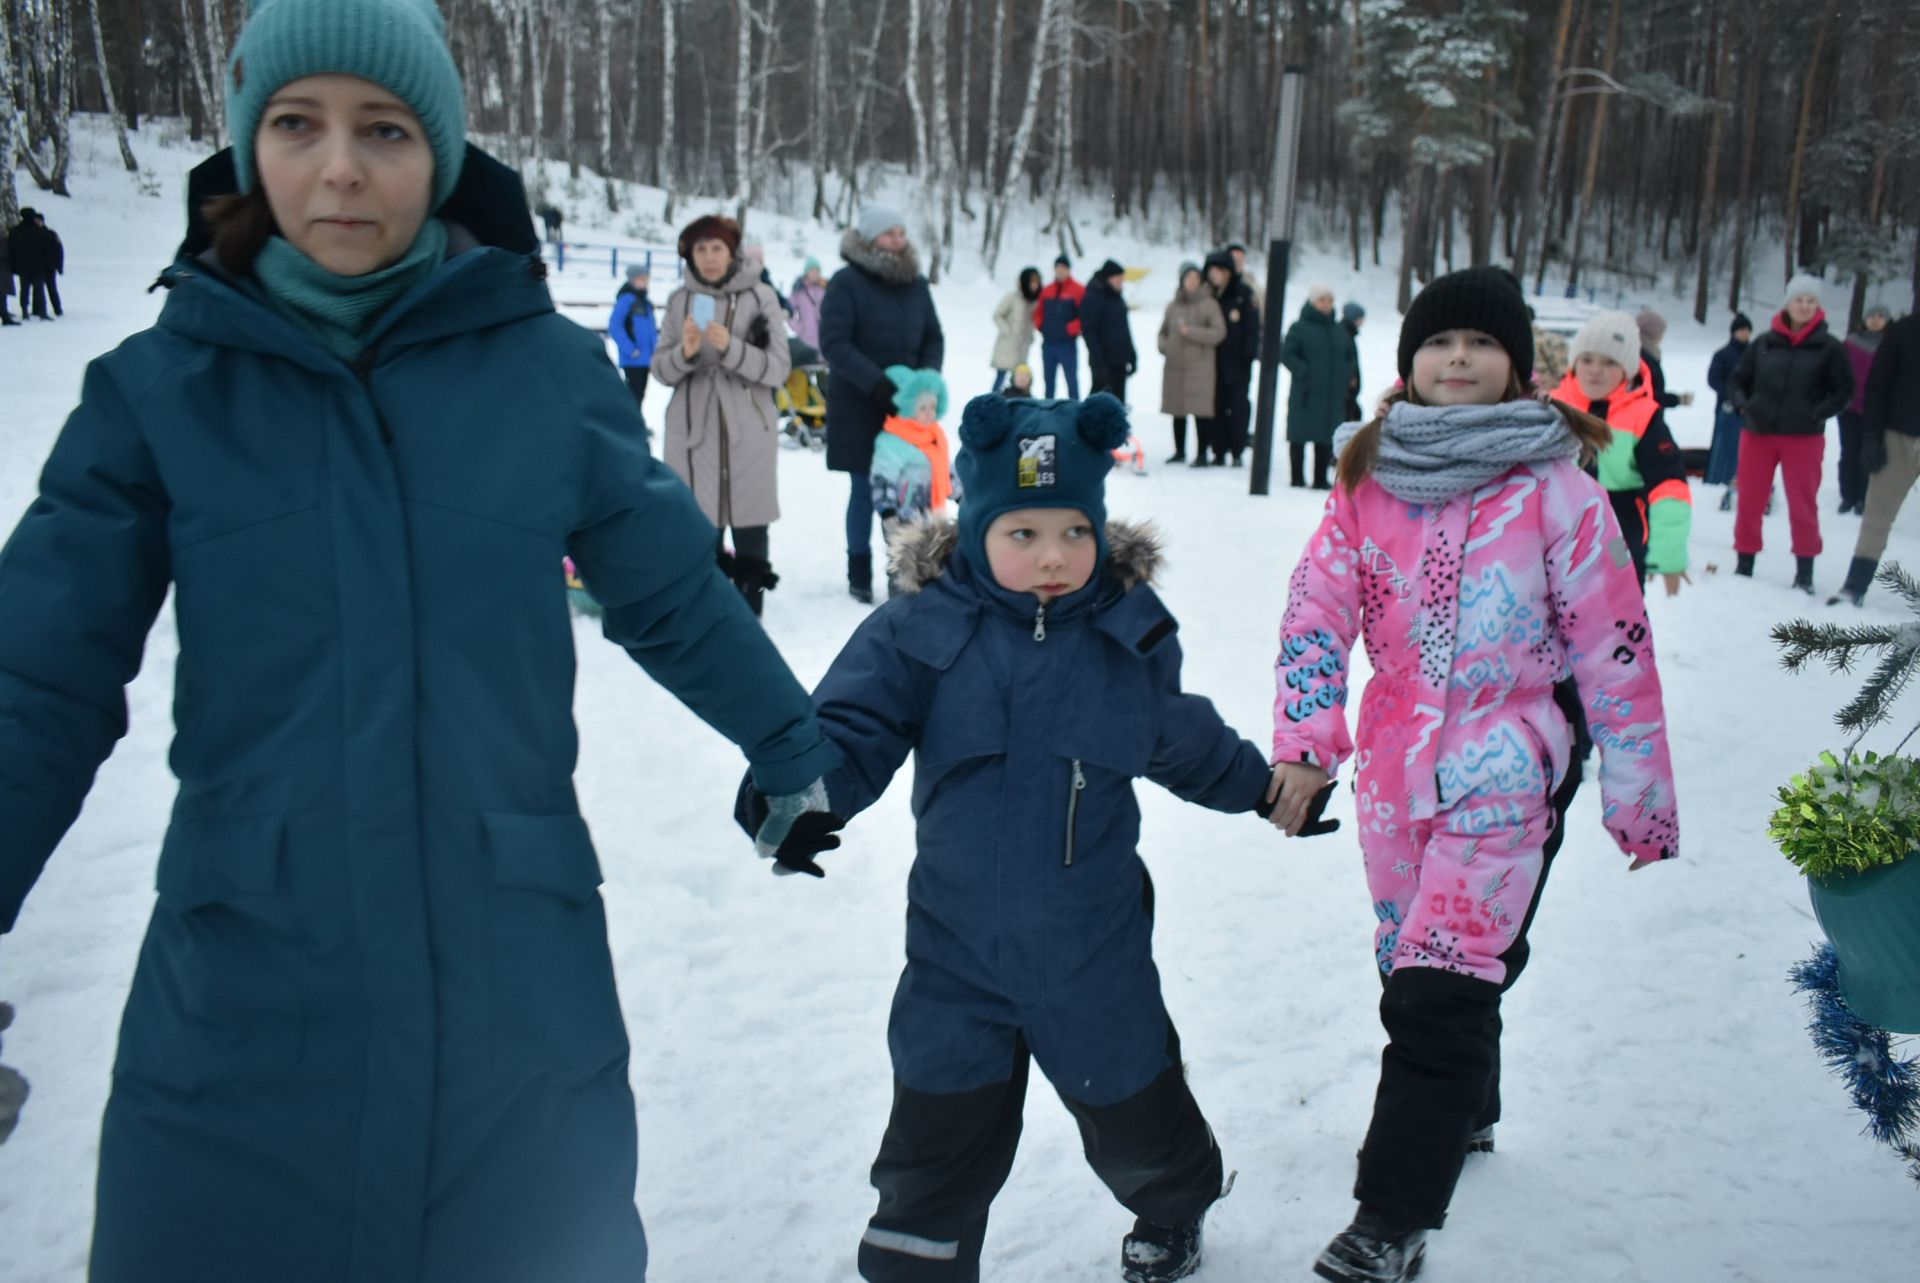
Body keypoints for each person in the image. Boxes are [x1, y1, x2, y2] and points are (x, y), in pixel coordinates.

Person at [0, 2, 842, 1278]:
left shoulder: (547, 379)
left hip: (514, 1001)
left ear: (440, 155)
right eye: (297, 123)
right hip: (241, 1007)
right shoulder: (158, 393)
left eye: (383, 128)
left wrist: (790, 743)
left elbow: (669, 590)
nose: (340, 165)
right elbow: (35, 676)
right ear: (248, 146)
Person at [740, 392, 1275, 1283]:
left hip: (1091, 948)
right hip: (955, 950)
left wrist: (1263, 788)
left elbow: (1182, 735)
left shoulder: (1124, 638)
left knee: (1135, 1108)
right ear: (978, 525)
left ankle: (1176, 1203)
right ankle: (918, 1264)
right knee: (935, 1134)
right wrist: (796, 798)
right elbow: (851, 726)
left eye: (1073, 530)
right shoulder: (921, 631)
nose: (1053, 555)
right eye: (1021, 533)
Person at [1268, 266, 1677, 1283]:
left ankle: (1388, 1217)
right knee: (1410, 963)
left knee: (1440, 988)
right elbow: (1316, 614)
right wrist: (1305, 744)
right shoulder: (1369, 480)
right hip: (1395, 775)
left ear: (1518, 365)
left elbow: (1614, 647)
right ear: (1409, 361)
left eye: (1481, 344)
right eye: (1439, 342)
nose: (1459, 358)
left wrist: (1639, 795)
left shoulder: (1559, 488)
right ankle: (1468, 1102)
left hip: (1508, 762)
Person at [652, 214, 792, 616]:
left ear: (732, 253)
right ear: (689, 256)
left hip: (747, 429)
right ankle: (707, 620)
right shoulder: (680, 300)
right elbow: (661, 369)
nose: (709, 258)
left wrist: (731, 347)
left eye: (717, 248)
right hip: (692, 432)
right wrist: (686, 353)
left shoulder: (761, 296)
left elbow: (779, 368)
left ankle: (749, 614)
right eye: (701, 249)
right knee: (698, 530)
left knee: (750, 527)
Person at [819, 204, 945, 605]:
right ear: (871, 238)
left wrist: (923, 384)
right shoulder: (846, 283)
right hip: (861, 405)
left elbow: (933, 336)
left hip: (908, 413)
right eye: (889, 233)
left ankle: (902, 568)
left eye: (901, 232)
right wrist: (877, 384)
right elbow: (835, 342)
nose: (898, 239)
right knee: (864, 489)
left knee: (909, 493)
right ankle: (859, 569)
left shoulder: (917, 285)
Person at [1550, 312, 1693, 594]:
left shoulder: (1643, 416)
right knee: (1557, 598)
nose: (1595, 370)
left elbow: (1669, 486)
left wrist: (1668, 553)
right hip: (1559, 524)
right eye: (1587, 359)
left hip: (1618, 528)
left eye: (1609, 362)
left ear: (1627, 369)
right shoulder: (1554, 406)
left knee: (1619, 589)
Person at [1728, 273, 1854, 592]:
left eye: (1811, 301)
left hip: (1804, 436)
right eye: (1799, 300)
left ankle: (1805, 571)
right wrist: (1745, 405)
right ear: (1787, 304)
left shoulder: (1829, 347)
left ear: (1818, 307)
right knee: (1751, 499)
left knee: (1802, 503)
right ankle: (1744, 562)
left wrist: (1817, 412)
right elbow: (1738, 381)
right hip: (1758, 432)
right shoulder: (1764, 343)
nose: (1804, 306)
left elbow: (1845, 390)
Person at [1829, 309, 1920, 605]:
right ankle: (1854, 587)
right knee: (1877, 517)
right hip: (1898, 436)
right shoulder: (1904, 330)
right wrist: (1871, 436)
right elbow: (1877, 386)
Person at [869, 366, 956, 596]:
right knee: (902, 566)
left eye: (933, 407)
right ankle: (898, 609)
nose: (930, 413)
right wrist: (888, 512)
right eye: (923, 408)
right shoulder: (893, 440)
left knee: (930, 563)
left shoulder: (935, 436)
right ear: (908, 408)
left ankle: (923, 606)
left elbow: (947, 472)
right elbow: (882, 479)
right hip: (901, 518)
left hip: (930, 516)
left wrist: (964, 495)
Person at [1281, 284, 1359, 489]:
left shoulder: (1338, 331)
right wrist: (1303, 371)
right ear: (1312, 302)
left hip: (1331, 394)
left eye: (1329, 301)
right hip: (1305, 392)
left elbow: (1350, 357)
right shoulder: (1299, 327)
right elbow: (1287, 354)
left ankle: (1319, 478)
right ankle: (1296, 477)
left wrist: (1346, 376)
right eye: (1321, 300)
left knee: (1325, 437)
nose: (1326, 305)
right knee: (1299, 435)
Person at [1157, 261, 1225, 464]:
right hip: (1175, 366)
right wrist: (1165, 346)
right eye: (1189, 278)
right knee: (1177, 409)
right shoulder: (1173, 306)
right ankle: (1179, 450)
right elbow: (1163, 332)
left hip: (1200, 368)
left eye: (1196, 279)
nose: (1192, 282)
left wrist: (1192, 332)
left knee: (1200, 411)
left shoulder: (1209, 304)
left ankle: (1202, 452)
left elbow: (1219, 333)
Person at [1196, 249, 1259, 467]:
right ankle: (1218, 449)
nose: (1215, 275)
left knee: (1238, 406)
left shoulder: (1242, 293)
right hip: (1211, 361)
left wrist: (1249, 353)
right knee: (1216, 406)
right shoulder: (1206, 296)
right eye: (1211, 270)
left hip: (1238, 361)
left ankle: (1237, 449)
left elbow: (1253, 327)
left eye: (1219, 270)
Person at [1838, 303, 1892, 516]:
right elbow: (1839, 372)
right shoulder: (1851, 343)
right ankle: (1847, 496)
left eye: (1880, 316)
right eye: (1872, 316)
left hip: (1876, 411)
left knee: (1867, 454)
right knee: (1848, 452)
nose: (1876, 320)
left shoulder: (1891, 344)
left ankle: (1863, 497)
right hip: (1850, 408)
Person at [1704, 313, 1753, 510]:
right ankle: (1718, 478)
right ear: (1734, 332)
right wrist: (1731, 395)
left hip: (1750, 409)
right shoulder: (1723, 354)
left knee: (1746, 446)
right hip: (1727, 408)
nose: (1744, 334)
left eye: (1747, 330)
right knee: (1723, 446)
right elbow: (1713, 379)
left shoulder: (1755, 352)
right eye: (1741, 330)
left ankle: (1743, 479)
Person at [608, 264, 657, 440]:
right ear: (632, 280)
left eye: (646, 278)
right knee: (633, 393)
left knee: (640, 393)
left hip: (646, 359)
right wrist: (630, 349)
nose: (644, 282)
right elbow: (615, 326)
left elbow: (650, 329)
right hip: (633, 358)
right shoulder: (626, 300)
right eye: (640, 279)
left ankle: (634, 425)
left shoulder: (645, 301)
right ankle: (630, 427)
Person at [1080, 258, 1137, 402]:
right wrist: (1099, 362)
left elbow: (1124, 328)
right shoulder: (1093, 296)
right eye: (1118, 279)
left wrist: (1131, 353)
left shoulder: (1118, 298)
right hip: (1103, 363)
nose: (1121, 282)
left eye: (1122, 279)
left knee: (1118, 404)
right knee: (1100, 404)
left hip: (1120, 361)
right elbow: (1089, 331)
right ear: (1109, 278)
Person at [1033, 253, 1085, 399]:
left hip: (1067, 345)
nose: (1060, 271)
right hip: (1048, 344)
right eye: (1058, 268)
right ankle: (1048, 414)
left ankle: (1075, 412)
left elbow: (1085, 315)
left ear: (1069, 270)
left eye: (1063, 268)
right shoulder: (1047, 290)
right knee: (1049, 384)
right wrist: (1040, 325)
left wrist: (1071, 329)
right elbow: (1038, 312)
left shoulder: (1078, 290)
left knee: (1072, 383)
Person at [990, 265, 1041, 393]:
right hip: (1007, 345)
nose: (1034, 285)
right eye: (1032, 281)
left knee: (1020, 380)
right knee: (1001, 378)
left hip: (1023, 346)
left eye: (1037, 281)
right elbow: (997, 315)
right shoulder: (1012, 297)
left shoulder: (1035, 301)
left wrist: (1031, 335)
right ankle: (992, 404)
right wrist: (1008, 331)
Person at [1634, 309, 1685, 410]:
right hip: (1640, 418)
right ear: (1652, 334)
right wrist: (1677, 399)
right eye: (1661, 333)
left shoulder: (1647, 352)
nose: (1662, 337)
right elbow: (1645, 394)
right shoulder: (1641, 356)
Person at [8, 208, 49, 320]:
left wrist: (14, 266)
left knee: (24, 290)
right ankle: (42, 312)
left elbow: (12, 250)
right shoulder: (40, 231)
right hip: (38, 266)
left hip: (23, 266)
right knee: (39, 290)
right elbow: (46, 249)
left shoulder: (15, 231)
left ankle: (25, 311)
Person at [790, 256, 827, 350]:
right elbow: (789, 311)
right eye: (812, 270)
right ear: (806, 272)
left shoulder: (825, 288)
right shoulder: (799, 290)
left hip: (824, 337)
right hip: (805, 340)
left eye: (817, 270)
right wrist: (798, 327)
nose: (815, 273)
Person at [1341, 302, 1367, 423]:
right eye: (1361, 318)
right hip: (1346, 390)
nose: (1363, 321)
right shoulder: (1345, 335)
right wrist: (1349, 378)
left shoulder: (1348, 334)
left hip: (1349, 389)